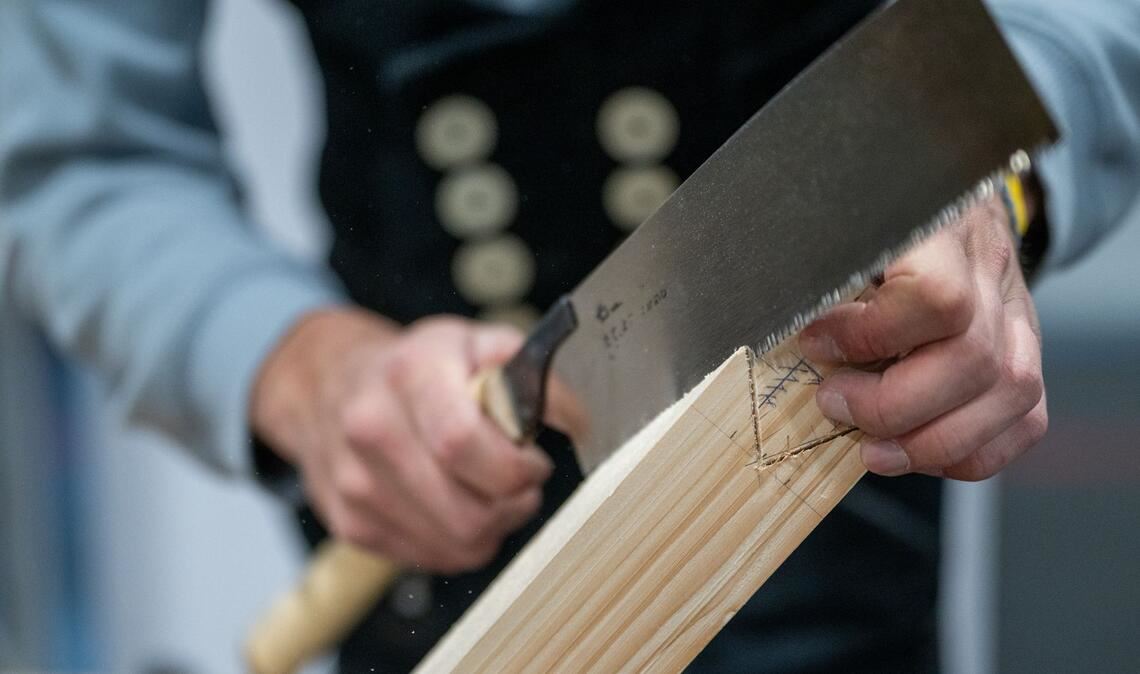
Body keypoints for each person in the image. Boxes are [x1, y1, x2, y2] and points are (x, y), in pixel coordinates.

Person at [1, 0, 1137, 670]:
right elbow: (81, 151)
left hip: (842, 474)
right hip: (430, 518)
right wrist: (302, 368)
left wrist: (989, 167)